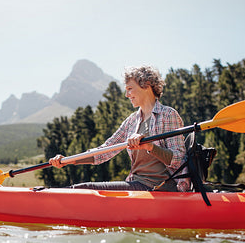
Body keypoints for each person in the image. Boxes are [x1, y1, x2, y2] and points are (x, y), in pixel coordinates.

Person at [49, 65, 191, 192]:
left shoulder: (168, 115)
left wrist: (149, 146)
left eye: (130, 89)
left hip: (161, 188)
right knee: (82, 189)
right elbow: (104, 151)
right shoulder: (131, 121)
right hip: (137, 184)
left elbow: (178, 159)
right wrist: (68, 160)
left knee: (85, 190)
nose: (126, 94)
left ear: (147, 85)